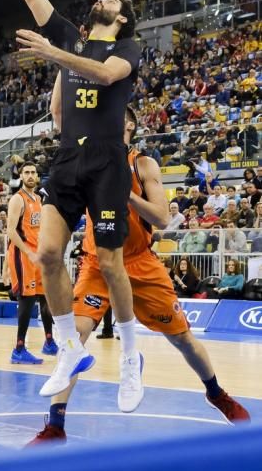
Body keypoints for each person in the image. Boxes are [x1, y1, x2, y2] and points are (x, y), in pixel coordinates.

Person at [0, 0, 142, 406]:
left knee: (113, 263)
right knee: (49, 253)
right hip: (68, 158)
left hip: (108, 158)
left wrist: (53, 55)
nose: (107, 0)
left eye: (116, 1)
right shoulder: (72, 34)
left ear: (121, 22)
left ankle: (132, 355)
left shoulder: (127, 50)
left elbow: (105, 75)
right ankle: (71, 347)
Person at [27, 109, 250, 444]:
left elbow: (161, 217)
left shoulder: (143, 164)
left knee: (182, 339)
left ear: (128, 124)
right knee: (75, 339)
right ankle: (55, 425)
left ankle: (216, 393)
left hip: (140, 263)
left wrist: (125, 193)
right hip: (96, 263)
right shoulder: (87, 163)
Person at [5, 161, 57, 365]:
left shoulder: (39, 199)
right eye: (26, 172)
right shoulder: (18, 199)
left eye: (33, 172)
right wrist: (25, 253)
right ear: (20, 175)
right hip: (22, 254)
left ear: (37, 176)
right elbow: (10, 231)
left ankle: (49, 341)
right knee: (26, 300)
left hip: (37, 255)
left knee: (45, 297)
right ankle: (19, 349)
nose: (30, 176)